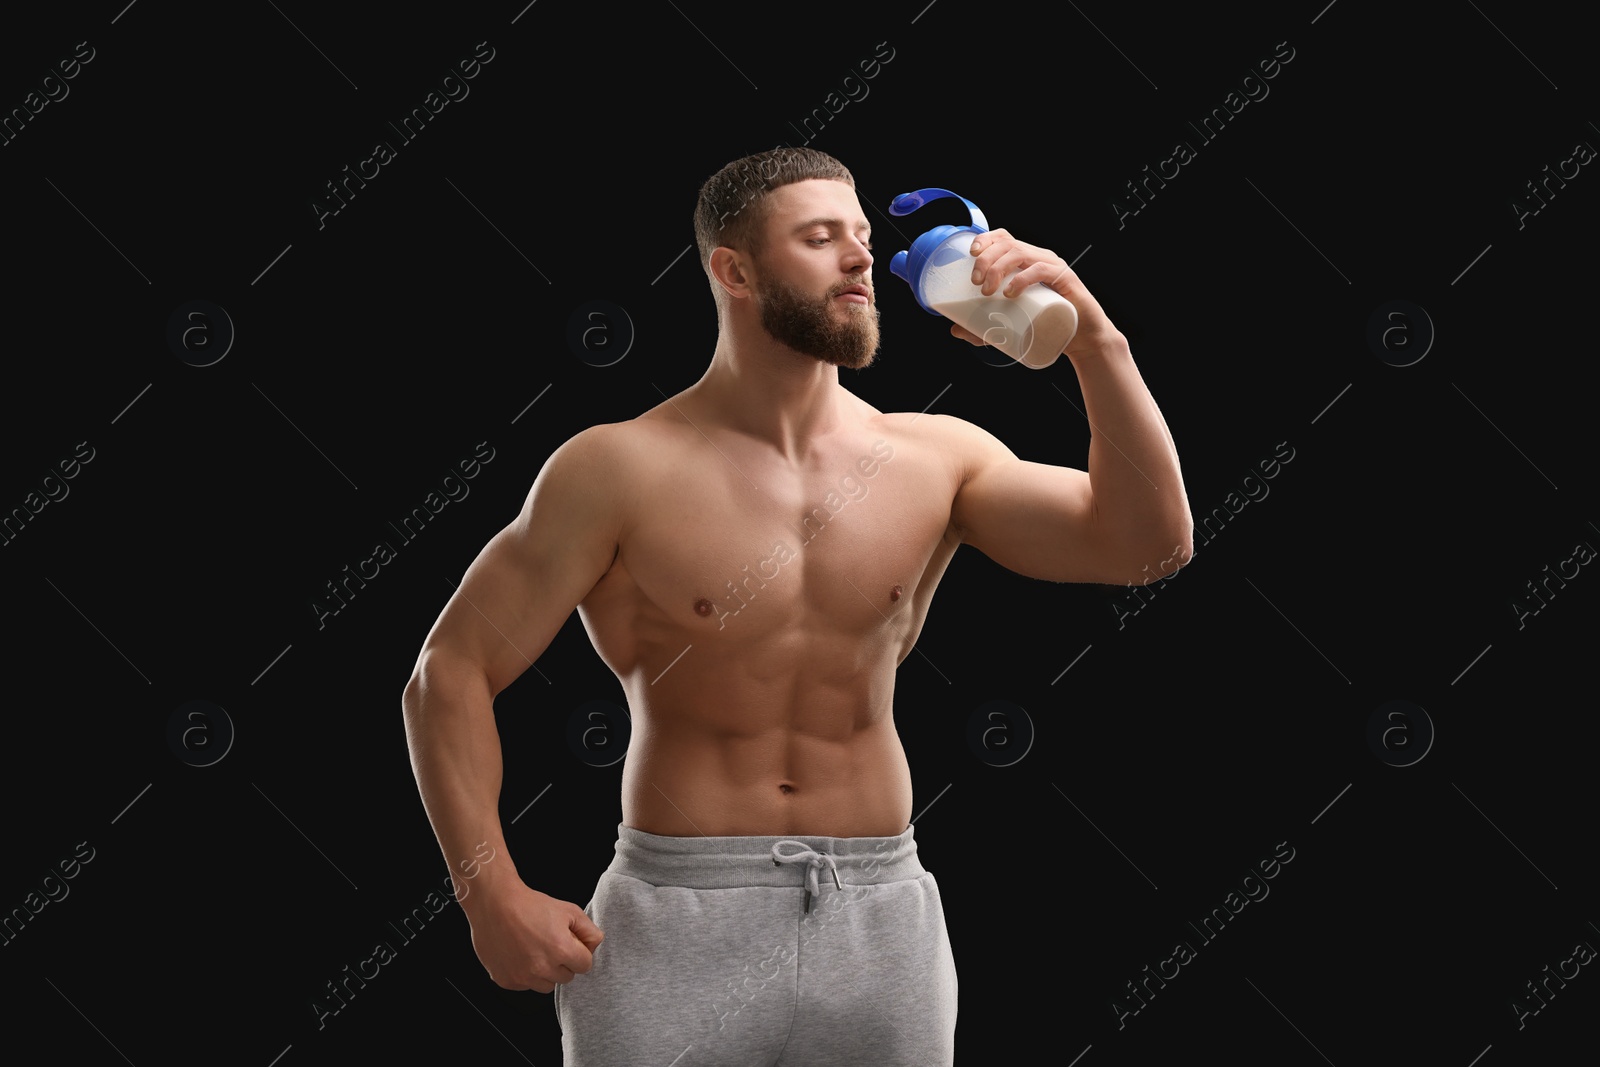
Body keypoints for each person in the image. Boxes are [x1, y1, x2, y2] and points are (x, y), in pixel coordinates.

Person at [402, 147, 1192, 1065]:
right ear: (732, 271)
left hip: (879, 913)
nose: (860, 258)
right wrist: (489, 893)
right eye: (821, 238)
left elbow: (1149, 546)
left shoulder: (937, 457)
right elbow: (448, 673)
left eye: (860, 237)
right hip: (677, 915)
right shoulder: (615, 467)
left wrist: (1099, 341)